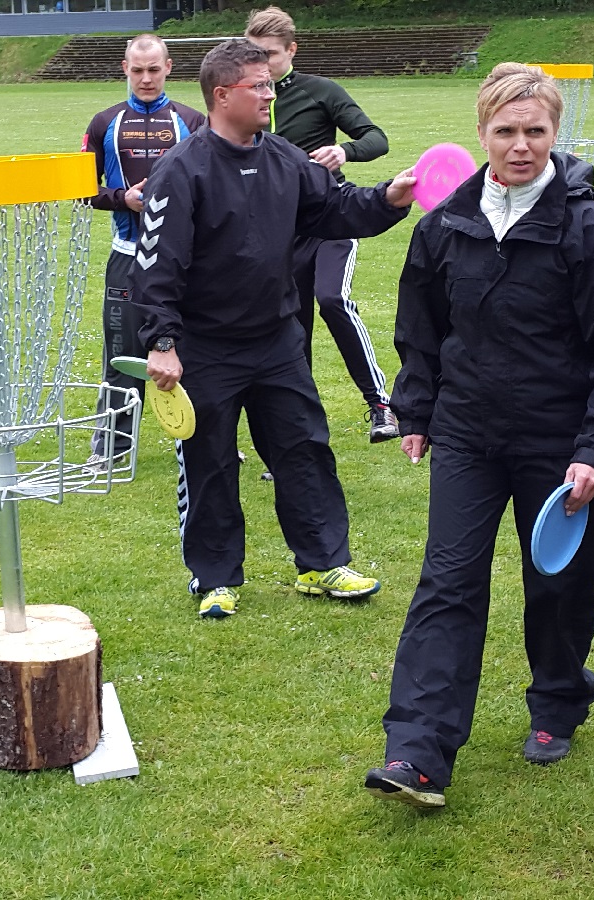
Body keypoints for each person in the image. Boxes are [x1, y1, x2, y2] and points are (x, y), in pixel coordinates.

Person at [363, 63, 594, 809]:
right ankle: (418, 751)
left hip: (561, 442)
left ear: (555, 134)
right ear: (482, 131)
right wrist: (417, 409)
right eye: (505, 131)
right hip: (468, 433)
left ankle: (557, 699)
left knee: (558, 582)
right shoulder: (445, 225)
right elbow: (420, 329)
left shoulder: (588, 229)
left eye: (536, 132)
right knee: (447, 582)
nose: (521, 146)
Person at [130, 39, 415, 620]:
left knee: (304, 450)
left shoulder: (286, 158)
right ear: (222, 95)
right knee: (209, 461)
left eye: (269, 83)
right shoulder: (181, 171)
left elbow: (335, 210)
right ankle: (214, 578)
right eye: (257, 86)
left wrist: (387, 199)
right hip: (204, 348)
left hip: (277, 341)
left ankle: (322, 563)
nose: (268, 94)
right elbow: (156, 267)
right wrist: (161, 343)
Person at [244, 5, 399, 444]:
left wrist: (344, 152)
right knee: (292, 327)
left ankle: (381, 406)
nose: (263, 65)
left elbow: (376, 138)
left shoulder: (319, 91)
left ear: (291, 50)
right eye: (254, 54)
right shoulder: (247, 99)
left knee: (332, 299)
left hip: (331, 218)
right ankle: (296, 435)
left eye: (270, 54)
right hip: (279, 230)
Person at [82, 33, 205, 472]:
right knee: (120, 350)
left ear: (169, 67)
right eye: (138, 70)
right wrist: (122, 199)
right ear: (125, 69)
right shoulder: (104, 123)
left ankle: (204, 442)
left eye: (154, 70)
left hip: (184, 257)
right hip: (127, 252)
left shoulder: (193, 120)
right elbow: (81, 191)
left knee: (196, 349)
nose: (146, 79)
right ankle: (111, 446)